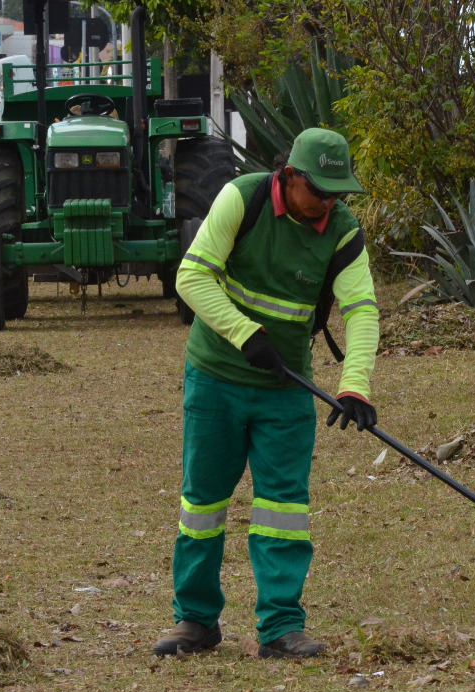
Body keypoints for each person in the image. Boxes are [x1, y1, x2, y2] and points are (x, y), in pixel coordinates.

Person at [153, 128, 381, 660]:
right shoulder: (243, 197)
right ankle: (196, 620)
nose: (329, 202)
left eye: (337, 193)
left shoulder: (342, 231)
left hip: (285, 389)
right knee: (202, 505)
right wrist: (244, 333)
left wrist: (356, 384)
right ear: (290, 175)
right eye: (320, 190)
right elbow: (192, 277)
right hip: (216, 379)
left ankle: (280, 626)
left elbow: (361, 309)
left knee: (283, 509)